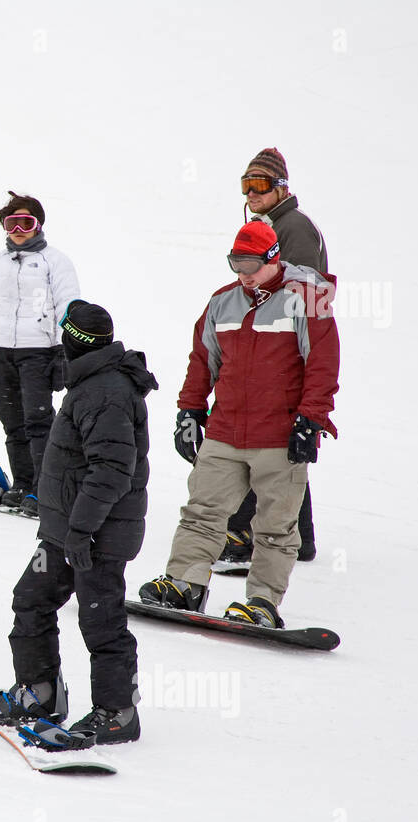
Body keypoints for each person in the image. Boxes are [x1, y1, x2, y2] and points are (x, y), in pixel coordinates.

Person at [139, 221, 339, 627]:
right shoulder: (221, 303)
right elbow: (202, 361)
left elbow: (322, 363)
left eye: (250, 264)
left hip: (278, 436)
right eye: (236, 263)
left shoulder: (307, 300)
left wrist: (311, 420)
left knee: (276, 526)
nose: (243, 274)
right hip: (225, 432)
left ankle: (262, 601)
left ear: (273, 258)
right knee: (202, 512)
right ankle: (185, 583)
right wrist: (190, 410)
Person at [0, 300, 157, 748]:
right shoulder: (88, 383)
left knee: (101, 621)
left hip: (97, 533)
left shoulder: (106, 392)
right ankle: (40, 692)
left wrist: (81, 530)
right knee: (32, 598)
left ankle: (118, 712)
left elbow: (111, 471)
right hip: (67, 530)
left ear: (73, 340)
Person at [222, 147, 330, 566]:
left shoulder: (295, 227)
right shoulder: (267, 224)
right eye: (246, 185)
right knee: (284, 445)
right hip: (269, 344)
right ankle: (300, 538)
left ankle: (249, 531)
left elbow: (305, 294)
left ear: (281, 188)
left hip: (284, 350)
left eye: (260, 185)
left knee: (263, 440)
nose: (251, 192)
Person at [0, 191, 80, 515]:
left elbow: (68, 307)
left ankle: (46, 489)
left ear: (38, 224)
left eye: (25, 222)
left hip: (38, 353)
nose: (18, 229)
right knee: (12, 423)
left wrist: (63, 352)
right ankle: (23, 484)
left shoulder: (55, 262)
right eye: (10, 222)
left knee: (39, 421)